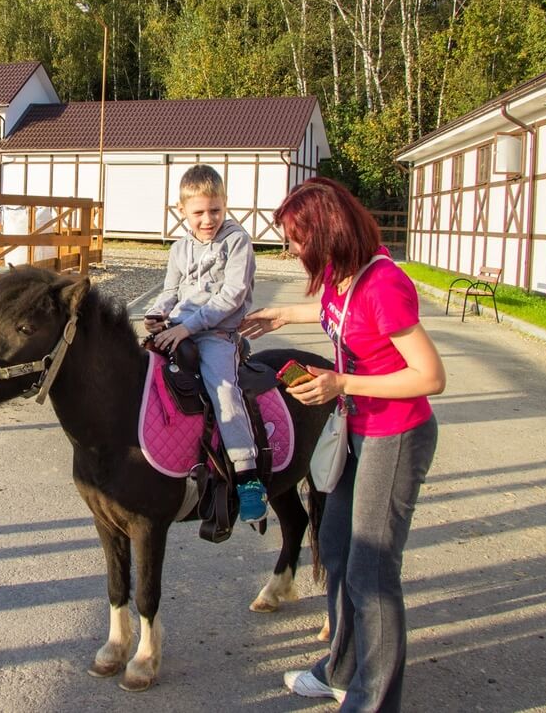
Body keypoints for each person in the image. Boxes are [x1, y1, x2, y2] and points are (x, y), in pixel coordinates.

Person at [239, 177, 445, 712]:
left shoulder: (384, 284)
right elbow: (336, 313)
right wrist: (282, 314)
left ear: (327, 232)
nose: (292, 249)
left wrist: (342, 384)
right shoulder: (342, 276)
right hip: (361, 430)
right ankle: (341, 668)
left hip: (396, 435)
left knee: (371, 569)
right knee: (333, 545)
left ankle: (372, 700)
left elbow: (430, 376)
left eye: (296, 238)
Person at [144, 164, 265, 522]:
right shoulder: (180, 248)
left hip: (215, 334)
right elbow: (170, 291)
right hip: (178, 326)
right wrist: (156, 312)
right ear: (182, 211)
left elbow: (231, 296)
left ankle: (247, 473)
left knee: (224, 390)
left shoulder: (236, 241)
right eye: (198, 212)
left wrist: (188, 327)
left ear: (225, 204)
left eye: (215, 210)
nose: (208, 219)